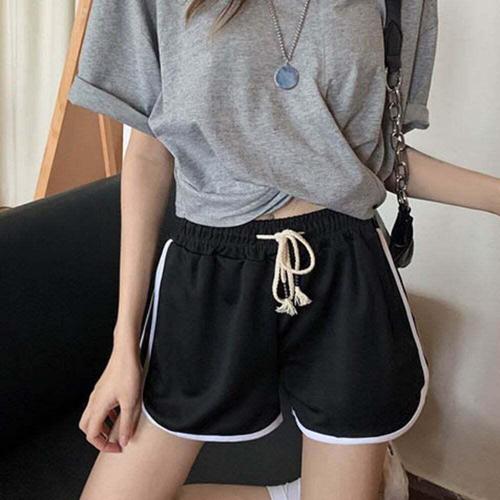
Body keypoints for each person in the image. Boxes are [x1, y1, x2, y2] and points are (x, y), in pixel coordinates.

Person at [67, 0, 499, 499]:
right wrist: (123, 346)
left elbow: (376, 155)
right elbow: (148, 152)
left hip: (345, 270)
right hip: (211, 270)